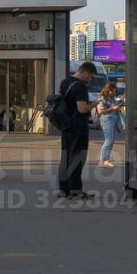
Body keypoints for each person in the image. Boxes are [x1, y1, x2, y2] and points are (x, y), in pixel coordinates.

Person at [57, 61, 97, 198]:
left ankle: (64, 190)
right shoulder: (80, 87)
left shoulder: (65, 82)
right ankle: (75, 190)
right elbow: (82, 109)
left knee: (65, 157)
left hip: (66, 126)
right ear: (84, 72)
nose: (90, 79)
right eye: (90, 76)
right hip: (78, 128)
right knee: (77, 158)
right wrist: (93, 104)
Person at [95, 82, 123, 168]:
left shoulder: (111, 98)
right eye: (112, 91)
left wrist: (117, 107)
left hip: (113, 119)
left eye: (114, 91)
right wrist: (113, 108)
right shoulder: (102, 98)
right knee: (108, 140)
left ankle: (106, 160)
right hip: (107, 120)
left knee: (111, 141)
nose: (113, 93)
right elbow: (100, 111)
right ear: (107, 90)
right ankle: (102, 160)